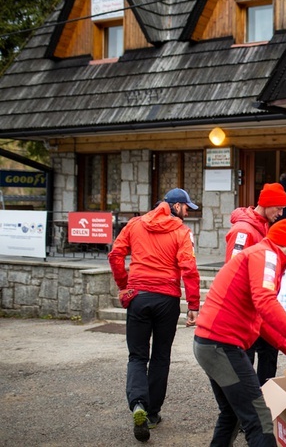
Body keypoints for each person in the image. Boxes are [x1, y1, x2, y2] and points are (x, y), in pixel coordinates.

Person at [194, 219, 286, 447]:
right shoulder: (267, 256)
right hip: (222, 345)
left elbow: (261, 319)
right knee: (260, 420)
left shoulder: (261, 254)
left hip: (211, 344)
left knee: (233, 413)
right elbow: (266, 303)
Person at [108, 187, 201, 443]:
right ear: (174, 206)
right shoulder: (182, 232)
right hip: (166, 299)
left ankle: (138, 403)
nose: (187, 213)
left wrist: (124, 285)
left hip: (138, 296)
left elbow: (116, 254)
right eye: (185, 208)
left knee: (137, 356)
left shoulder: (135, 224)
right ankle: (152, 413)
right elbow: (189, 269)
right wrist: (193, 304)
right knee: (161, 356)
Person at [224, 181, 286, 388]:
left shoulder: (263, 226)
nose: (280, 213)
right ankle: (248, 402)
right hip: (245, 306)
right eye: (278, 208)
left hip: (258, 305)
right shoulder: (243, 230)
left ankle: (264, 397)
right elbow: (232, 269)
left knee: (269, 349)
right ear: (267, 204)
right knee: (247, 355)